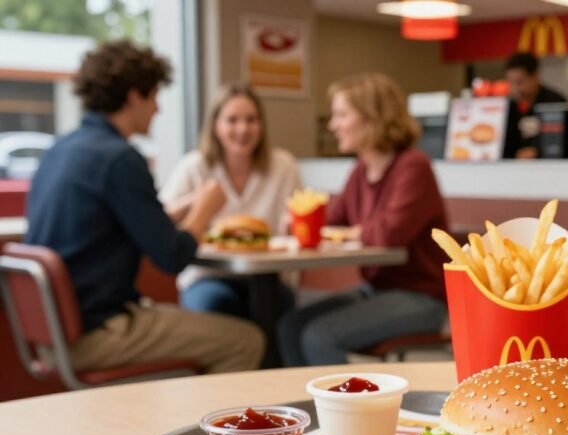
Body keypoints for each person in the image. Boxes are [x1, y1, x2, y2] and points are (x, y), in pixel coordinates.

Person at [25, 41, 264, 374]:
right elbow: (172, 257)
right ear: (134, 96)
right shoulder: (120, 159)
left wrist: (187, 205)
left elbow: (123, 226)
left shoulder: (61, 150)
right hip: (97, 333)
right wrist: (205, 210)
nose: (158, 109)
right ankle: (214, 427)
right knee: (247, 340)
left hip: (53, 333)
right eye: (154, 97)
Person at [277, 73, 449, 366]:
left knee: (319, 337)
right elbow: (333, 224)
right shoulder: (360, 170)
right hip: (376, 290)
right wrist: (304, 223)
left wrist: (349, 232)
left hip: (421, 298)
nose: (333, 125)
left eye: (342, 114)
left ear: (373, 117)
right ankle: (306, 407)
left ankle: (345, 410)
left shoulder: (413, 166)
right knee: (290, 326)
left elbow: (389, 233)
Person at [160, 83, 299, 319]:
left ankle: (272, 358)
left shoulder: (283, 166)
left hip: (265, 276)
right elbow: (161, 217)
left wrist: (293, 229)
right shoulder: (194, 166)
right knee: (216, 303)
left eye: (251, 120)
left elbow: (296, 223)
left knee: (277, 304)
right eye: (232, 120)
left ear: (262, 125)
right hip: (207, 276)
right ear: (215, 126)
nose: (243, 129)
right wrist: (197, 201)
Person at [504, 52, 567, 159]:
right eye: (511, 83)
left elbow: (563, 141)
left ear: (535, 75)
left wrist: (538, 151)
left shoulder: (554, 102)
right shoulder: (509, 107)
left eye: (520, 82)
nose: (516, 89)